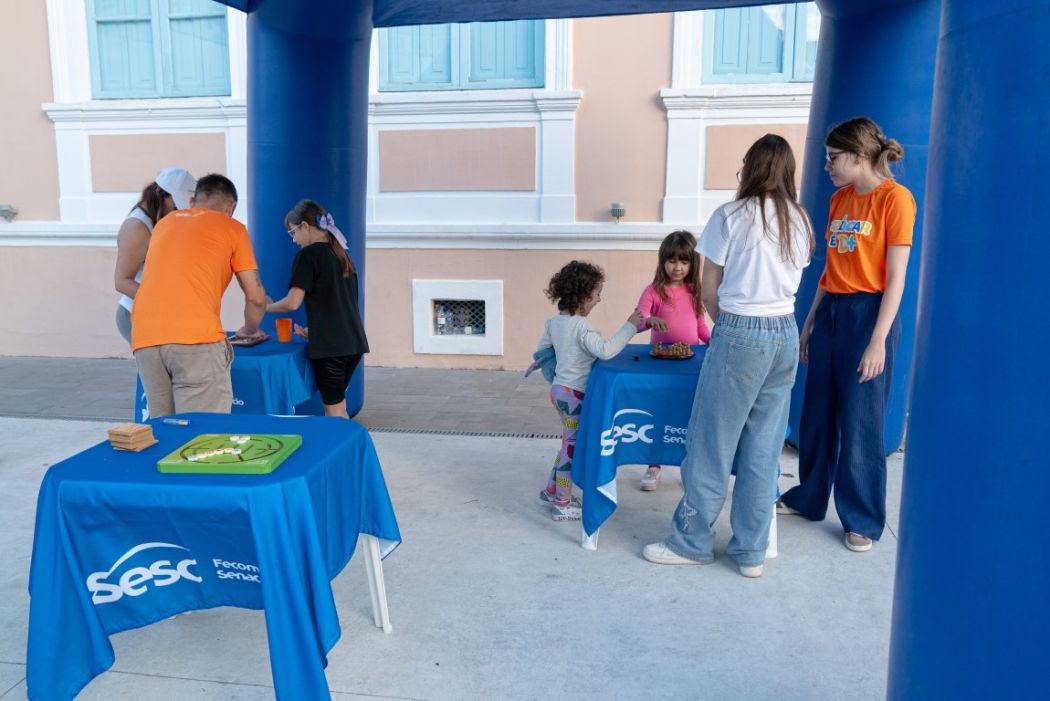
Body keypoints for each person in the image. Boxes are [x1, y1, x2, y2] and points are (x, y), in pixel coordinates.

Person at [643, 134, 815, 578]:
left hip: (741, 329)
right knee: (763, 448)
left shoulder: (730, 215)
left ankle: (692, 542)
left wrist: (730, 328)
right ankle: (751, 552)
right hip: (784, 332)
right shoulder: (800, 219)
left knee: (711, 445)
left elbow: (709, 291)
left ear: (752, 167)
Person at [777, 117, 916, 553]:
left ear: (858, 156)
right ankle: (809, 497)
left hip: (869, 313)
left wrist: (877, 340)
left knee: (861, 420)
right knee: (816, 411)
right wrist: (809, 321)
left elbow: (896, 279)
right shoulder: (839, 199)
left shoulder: (895, 199)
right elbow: (830, 269)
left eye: (833, 158)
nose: (827, 166)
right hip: (831, 310)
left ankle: (863, 520)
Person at [131, 174, 268, 418]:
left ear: (193, 201)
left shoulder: (164, 224)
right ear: (230, 207)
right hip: (195, 339)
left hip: (145, 338)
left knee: (163, 427)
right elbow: (256, 297)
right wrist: (249, 329)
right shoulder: (233, 228)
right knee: (204, 431)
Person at [537, 261, 642, 521]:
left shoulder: (555, 322)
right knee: (571, 449)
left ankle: (552, 491)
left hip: (559, 391)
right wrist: (630, 326)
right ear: (583, 296)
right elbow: (606, 350)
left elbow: (542, 351)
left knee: (567, 443)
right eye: (597, 294)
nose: (599, 299)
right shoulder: (582, 328)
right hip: (574, 395)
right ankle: (562, 503)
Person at [266, 200, 369, 419]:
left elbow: (292, 302)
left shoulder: (308, 256)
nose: (294, 239)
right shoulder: (340, 254)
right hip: (353, 344)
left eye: (293, 232)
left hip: (332, 349)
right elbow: (342, 305)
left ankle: (347, 443)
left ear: (305, 226)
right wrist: (316, 331)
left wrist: (264, 307)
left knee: (334, 413)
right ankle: (346, 441)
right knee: (339, 409)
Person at [635, 230, 712, 491]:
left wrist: (715, 341)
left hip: (691, 364)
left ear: (692, 263)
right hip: (660, 363)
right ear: (663, 261)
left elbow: (701, 329)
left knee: (689, 415)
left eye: (684, 261)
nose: (677, 267)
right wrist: (649, 321)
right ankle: (654, 465)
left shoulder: (695, 292)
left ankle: (689, 466)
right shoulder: (653, 291)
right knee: (659, 413)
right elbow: (637, 321)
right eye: (671, 260)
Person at [113, 167, 196, 344]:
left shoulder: (160, 218)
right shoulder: (136, 227)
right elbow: (122, 281)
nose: (177, 212)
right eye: (175, 206)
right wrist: (163, 305)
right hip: (137, 316)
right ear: (160, 193)